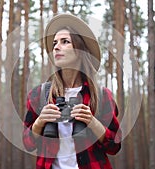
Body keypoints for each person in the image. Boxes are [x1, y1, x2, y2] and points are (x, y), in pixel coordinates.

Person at [23, 13, 121, 169]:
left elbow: (115, 146)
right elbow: (27, 143)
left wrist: (92, 122)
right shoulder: (39, 94)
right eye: (55, 43)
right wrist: (39, 122)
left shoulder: (101, 96)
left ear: (80, 50)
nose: (56, 47)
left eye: (65, 42)